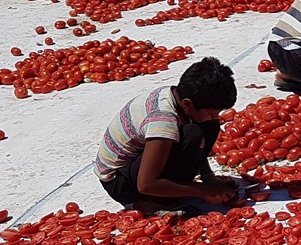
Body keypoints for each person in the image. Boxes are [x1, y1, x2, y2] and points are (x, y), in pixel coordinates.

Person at [95, 57, 239, 217]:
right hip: (121, 182)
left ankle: (167, 193)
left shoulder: (174, 96)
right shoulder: (163, 119)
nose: (215, 116)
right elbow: (146, 184)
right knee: (193, 135)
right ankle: (147, 204)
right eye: (212, 112)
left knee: (208, 126)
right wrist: (202, 191)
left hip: (136, 166)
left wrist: (208, 177)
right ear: (187, 104)